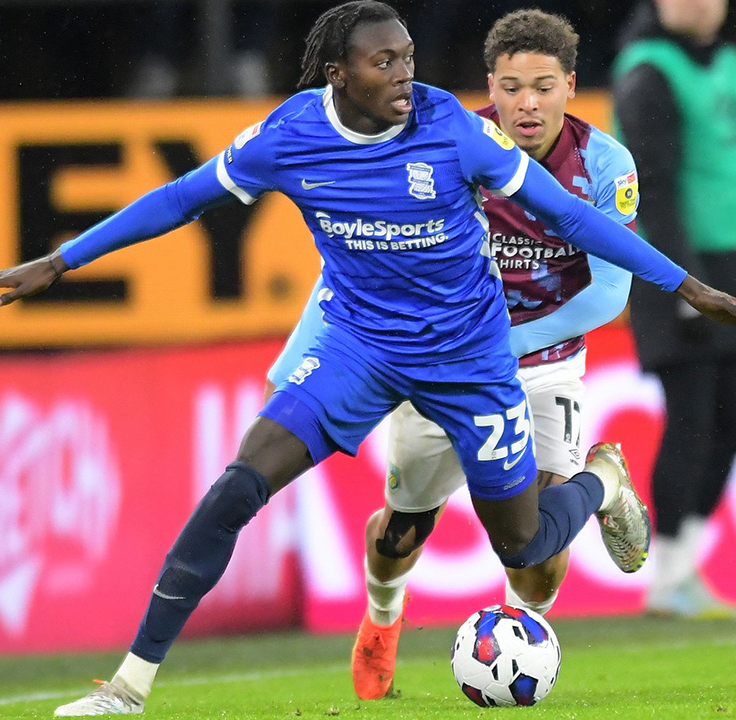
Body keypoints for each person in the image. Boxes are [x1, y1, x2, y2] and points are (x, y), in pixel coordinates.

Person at [0, 2, 736, 715]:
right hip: (362, 350)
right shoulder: (290, 135)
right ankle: (127, 688)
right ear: (337, 73)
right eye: (383, 62)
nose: (405, 76)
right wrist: (62, 260)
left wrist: (686, 283)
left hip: (470, 359)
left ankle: (599, 478)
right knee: (236, 488)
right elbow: (181, 197)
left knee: (526, 552)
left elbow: (566, 212)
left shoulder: (452, 129)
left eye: (410, 59)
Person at [267, 8, 647, 700]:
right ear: (490, 87)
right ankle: (383, 620)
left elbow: (608, 295)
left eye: (541, 86)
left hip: (541, 363)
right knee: (404, 528)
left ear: (569, 86)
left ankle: (518, 640)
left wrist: (498, 347)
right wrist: (299, 353)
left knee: (536, 560)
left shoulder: (605, 165)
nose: (525, 104)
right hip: (439, 362)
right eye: (509, 87)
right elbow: (359, 257)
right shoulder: (443, 144)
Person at [610, 0, 736, 619]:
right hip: (683, 274)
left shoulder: (732, 62)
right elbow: (651, 188)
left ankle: (682, 568)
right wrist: (686, 289)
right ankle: (666, 579)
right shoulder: (647, 72)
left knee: (733, 420)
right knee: (693, 420)